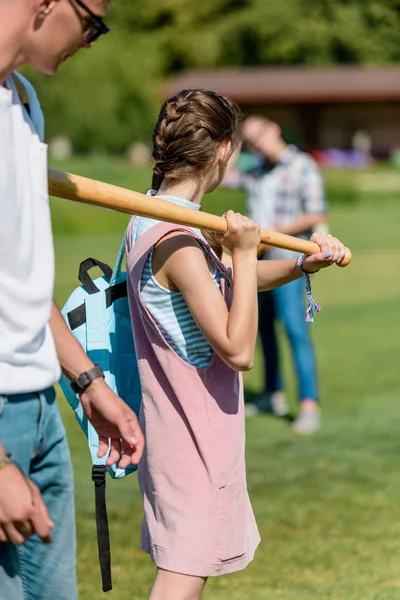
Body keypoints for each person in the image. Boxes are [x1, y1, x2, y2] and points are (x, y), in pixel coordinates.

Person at [125, 89, 346, 600]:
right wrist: (246, 254)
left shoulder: (156, 217)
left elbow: (222, 280)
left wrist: (297, 265)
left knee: (188, 571)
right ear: (224, 150)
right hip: (189, 433)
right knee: (182, 575)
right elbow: (239, 348)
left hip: (183, 428)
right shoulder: (177, 238)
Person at [0, 2, 144, 599]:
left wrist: (89, 384)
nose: (93, 41)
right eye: (94, 23)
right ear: (46, 3)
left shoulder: (24, 102)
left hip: (39, 411)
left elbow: (19, 282)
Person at [226, 116, 329, 434]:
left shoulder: (302, 166)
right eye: (250, 140)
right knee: (263, 331)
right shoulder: (256, 169)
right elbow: (222, 175)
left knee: (295, 330)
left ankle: (309, 404)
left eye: (259, 136)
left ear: (275, 129)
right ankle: (273, 394)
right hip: (255, 263)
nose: (257, 143)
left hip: (287, 261)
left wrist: (268, 234)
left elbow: (315, 213)